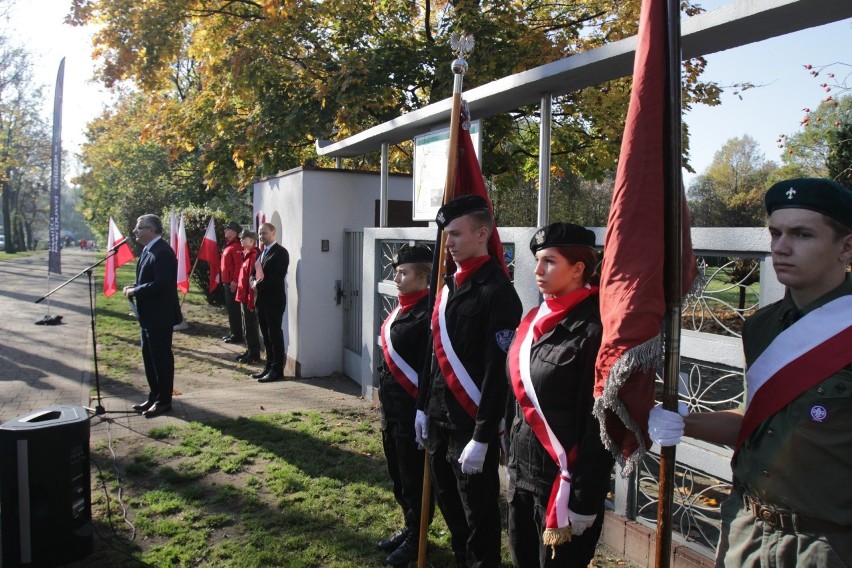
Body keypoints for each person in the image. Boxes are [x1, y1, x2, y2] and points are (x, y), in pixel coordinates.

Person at [649, 178, 852, 567]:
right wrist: (681, 421)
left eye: (802, 234)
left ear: (846, 246)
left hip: (827, 546)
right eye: (775, 232)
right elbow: (753, 421)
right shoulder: (761, 327)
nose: (781, 247)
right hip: (747, 530)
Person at [415, 195, 523, 567]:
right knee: (450, 507)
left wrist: (482, 434)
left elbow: (498, 372)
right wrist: (422, 407)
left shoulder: (498, 292)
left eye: (456, 235)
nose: (449, 244)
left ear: (481, 234)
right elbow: (434, 351)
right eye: (446, 236)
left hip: (471, 423)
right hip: (439, 417)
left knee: (478, 515)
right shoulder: (447, 287)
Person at [505, 223, 614, 567]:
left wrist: (584, 497)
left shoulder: (595, 329)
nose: (538, 271)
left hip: (561, 484)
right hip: (523, 473)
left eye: (549, 261)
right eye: (537, 260)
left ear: (578, 268)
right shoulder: (535, 318)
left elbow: (600, 423)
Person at [377, 244, 435, 566]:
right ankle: (410, 525)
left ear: (424, 276)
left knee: (414, 479)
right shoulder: (400, 309)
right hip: (393, 412)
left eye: (404, 272)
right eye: (396, 271)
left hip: (414, 414)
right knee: (398, 475)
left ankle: (418, 536)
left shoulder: (428, 314)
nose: (396, 277)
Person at [123, 214, 183, 418]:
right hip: (147, 316)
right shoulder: (148, 250)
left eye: (139, 228)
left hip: (160, 316)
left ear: (152, 230)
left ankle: (164, 401)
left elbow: (163, 284)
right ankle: (154, 395)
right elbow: (149, 279)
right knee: (149, 358)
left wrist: (136, 291)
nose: (135, 232)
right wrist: (135, 287)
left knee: (161, 359)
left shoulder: (163, 252)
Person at [250, 222, 289, 383]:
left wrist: (258, 285)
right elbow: (253, 273)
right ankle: (268, 366)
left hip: (274, 301)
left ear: (273, 233)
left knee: (274, 334)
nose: (261, 236)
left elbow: (278, 277)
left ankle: (277, 369)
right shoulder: (261, 252)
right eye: (260, 233)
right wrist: (252, 281)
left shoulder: (281, 252)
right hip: (261, 300)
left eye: (264, 233)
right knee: (265, 335)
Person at [234, 229, 262, 364]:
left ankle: (254, 353)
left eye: (244, 238)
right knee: (246, 326)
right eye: (241, 238)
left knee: (251, 326)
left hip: (248, 298)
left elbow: (252, 281)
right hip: (243, 296)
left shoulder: (253, 256)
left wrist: (251, 301)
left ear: (252, 241)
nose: (241, 240)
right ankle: (249, 350)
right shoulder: (246, 254)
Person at [221, 221, 245, 344]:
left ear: (234, 233)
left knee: (234, 310)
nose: (225, 230)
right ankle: (233, 333)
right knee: (231, 310)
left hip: (231, 283)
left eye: (228, 229)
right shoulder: (229, 245)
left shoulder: (236, 246)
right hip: (227, 282)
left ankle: (237, 335)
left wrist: (235, 281)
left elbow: (238, 265)